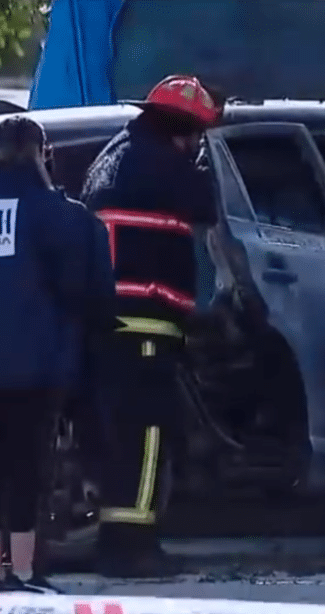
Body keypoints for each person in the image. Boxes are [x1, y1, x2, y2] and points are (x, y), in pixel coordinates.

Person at [0, 115, 107, 592]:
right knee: (28, 469)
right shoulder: (55, 212)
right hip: (36, 362)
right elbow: (88, 285)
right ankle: (26, 572)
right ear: (41, 155)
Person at [80, 74, 222, 577]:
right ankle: (131, 546)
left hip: (108, 322)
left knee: (119, 435)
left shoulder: (113, 155)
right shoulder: (167, 163)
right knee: (146, 438)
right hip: (145, 322)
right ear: (184, 130)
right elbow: (208, 207)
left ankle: (118, 538)